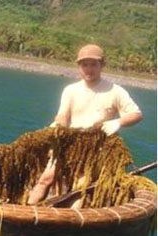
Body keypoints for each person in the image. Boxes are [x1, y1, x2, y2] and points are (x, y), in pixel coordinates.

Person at [27, 44, 143, 206]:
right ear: (79, 67)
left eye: (93, 64)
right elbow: (63, 115)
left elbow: (136, 114)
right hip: (69, 144)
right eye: (84, 65)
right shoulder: (71, 90)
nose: (89, 69)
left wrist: (118, 121)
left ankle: (71, 223)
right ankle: (26, 210)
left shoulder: (116, 91)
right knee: (45, 179)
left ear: (102, 65)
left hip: (96, 150)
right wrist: (58, 125)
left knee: (80, 188)